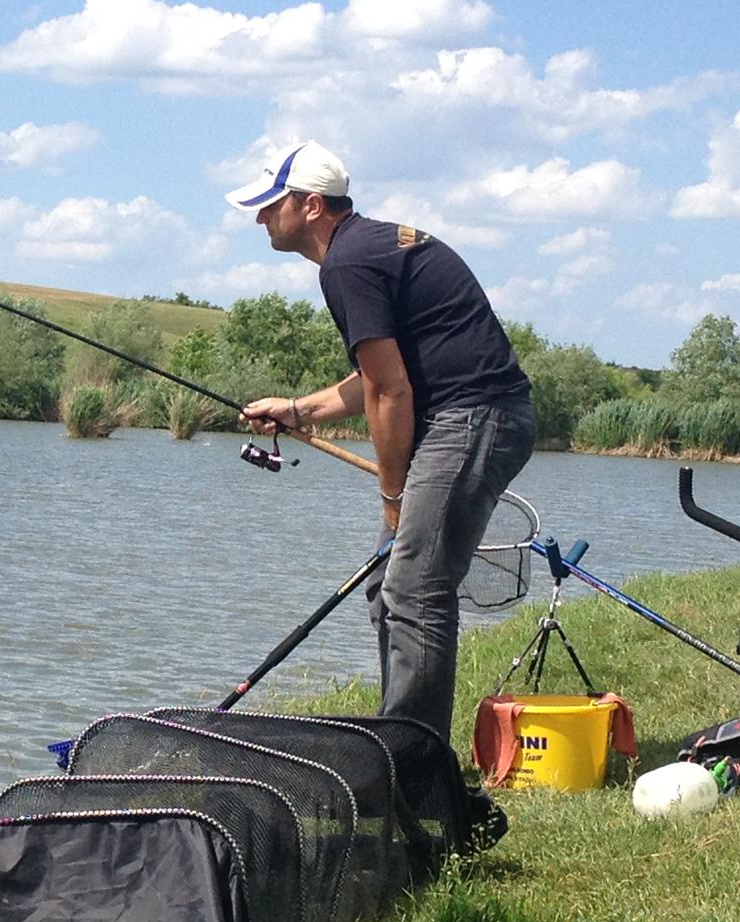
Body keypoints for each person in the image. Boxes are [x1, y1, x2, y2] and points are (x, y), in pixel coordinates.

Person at [228, 142, 535, 740]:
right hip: (469, 415)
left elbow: (391, 394)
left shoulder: (347, 264)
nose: (260, 217)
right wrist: (297, 410)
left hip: (475, 417)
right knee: (386, 579)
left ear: (311, 205)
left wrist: (393, 496)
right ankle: (399, 737)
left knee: (416, 587)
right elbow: (378, 375)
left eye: (270, 204)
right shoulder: (366, 247)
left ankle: (414, 768)